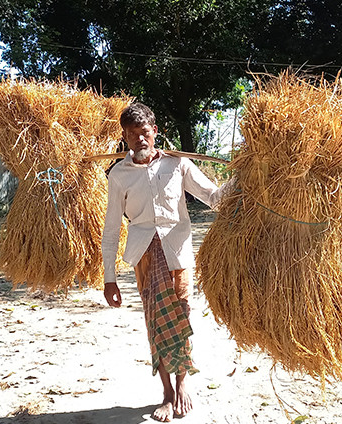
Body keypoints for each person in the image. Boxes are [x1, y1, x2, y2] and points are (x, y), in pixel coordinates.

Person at [101, 103, 223, 422]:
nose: (139, 140)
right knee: (155, 322)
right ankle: (167, 392)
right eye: (131, 135)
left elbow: (212, 197)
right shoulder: (118, 175)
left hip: (178, 254)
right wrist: (109, 278)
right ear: (124, 138)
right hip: (144, 255)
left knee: (181, 317)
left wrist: (247, 176)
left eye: (144, 133)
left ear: (155, 132)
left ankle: (182, 384)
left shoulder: (177, 164)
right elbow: (112, 228)